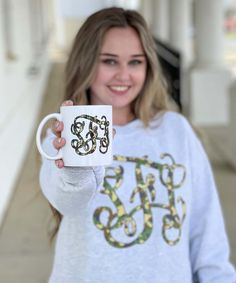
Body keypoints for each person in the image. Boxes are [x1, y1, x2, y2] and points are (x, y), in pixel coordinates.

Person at [39, 7, 236, 283]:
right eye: (109, 61)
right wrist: (75, 167)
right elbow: (68, 200)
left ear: (148, 66)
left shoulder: (175, 130)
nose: (123, 74)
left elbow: (207, 233)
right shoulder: (63, 138)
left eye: (135, 62)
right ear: (85, 63)